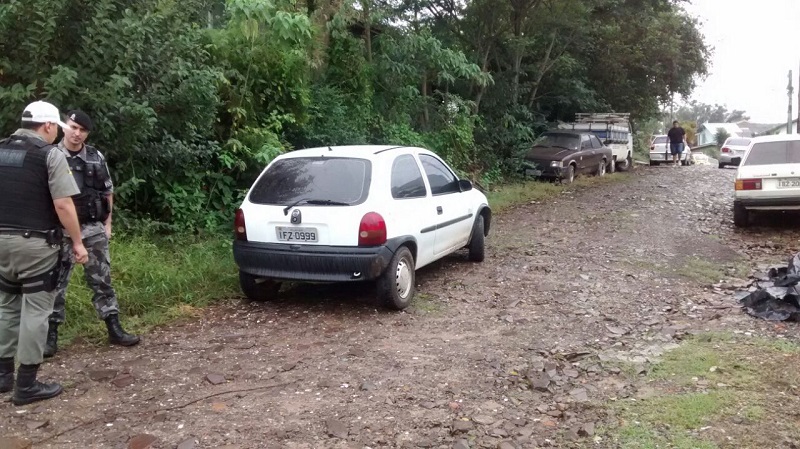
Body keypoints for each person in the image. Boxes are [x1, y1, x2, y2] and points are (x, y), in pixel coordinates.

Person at [0, 101, 89, 406]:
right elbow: (63, 205)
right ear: (49, 126)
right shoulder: (49, 155)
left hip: (1, 245)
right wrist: (78, 243)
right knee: (36, 310)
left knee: (7, 306)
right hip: (35, 247)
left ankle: (2, 377)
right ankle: (26, 385)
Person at [43, 110, 140, 358]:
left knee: (102, 279)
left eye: (82, 130)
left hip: (93, 228)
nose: (77, 133)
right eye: (73, 127)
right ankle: (50, 335)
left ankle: (114, 327)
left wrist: (108, 224)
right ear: (65, 126)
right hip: (61, 231)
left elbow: (107, 191)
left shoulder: (95, 156)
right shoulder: (50, 155)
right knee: (56, 284)